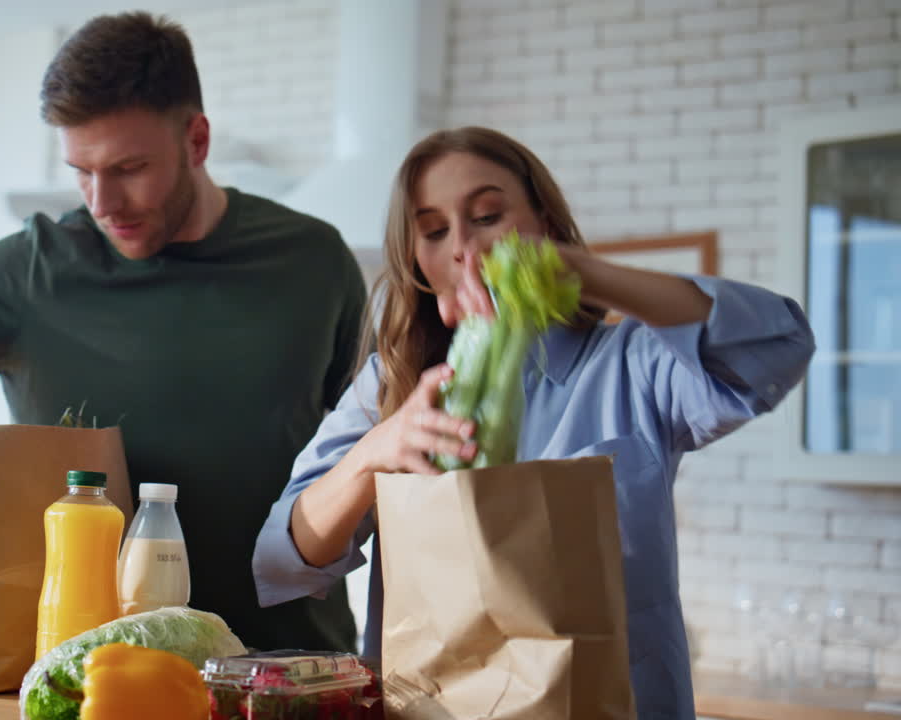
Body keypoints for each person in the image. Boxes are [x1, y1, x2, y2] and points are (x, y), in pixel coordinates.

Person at [0, 12, 366, 653]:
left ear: (197, 141)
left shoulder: (315, 262)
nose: (101, 201)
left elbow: (358, 451)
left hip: (290, 673)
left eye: (128, 167)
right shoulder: (34, 268)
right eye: (80, 171)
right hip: (85, 677)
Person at [251, 126, 814, 718]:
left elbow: (777, 347)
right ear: (417, 259)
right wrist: (374, 451)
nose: (466, 248)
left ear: (543, 221)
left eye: (488, 215)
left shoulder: (632, 366)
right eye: (436, 231)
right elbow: (282, 561)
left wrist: (584, 272)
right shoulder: (391, 387)